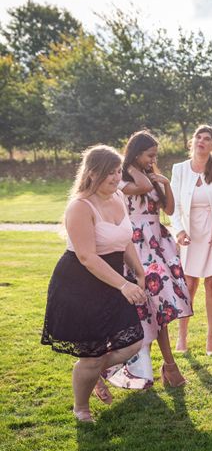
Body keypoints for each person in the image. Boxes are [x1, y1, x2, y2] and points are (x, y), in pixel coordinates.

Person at [41, 145, 146, 423]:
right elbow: (87, 256)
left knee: (133, 343)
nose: (115, 178)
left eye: (117, 171)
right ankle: (81, 407)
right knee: (91, 355)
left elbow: (125, 240)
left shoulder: (120, 197)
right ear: (92, 173)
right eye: (109, 172)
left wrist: (140, 272)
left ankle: (96, 370)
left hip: (112, 278)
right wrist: (124, 285)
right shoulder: (80, 206)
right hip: (81, 284)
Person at [104, 130, 192, 389]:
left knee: (161, 305)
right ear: (136, 153)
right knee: (147, 307)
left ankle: (167, 366)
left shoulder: (151, 176)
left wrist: (163, 183)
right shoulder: (123, 178)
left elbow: (169, 209)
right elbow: (141, 187)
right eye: (149, 155)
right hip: (136, 244)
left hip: (158, 244)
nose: (153, 159)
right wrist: (133, 166)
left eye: (155, 155)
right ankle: (152, 367)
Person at [170, 125, 212, 355]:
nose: (201, 141)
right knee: (188, 285)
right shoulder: (180, 169)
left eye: (207, 139)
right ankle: (182, 337)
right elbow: (173, 205)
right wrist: (179, 230)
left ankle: (211, 339)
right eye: (198, 137)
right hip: (190, 235)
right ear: (192, 142)